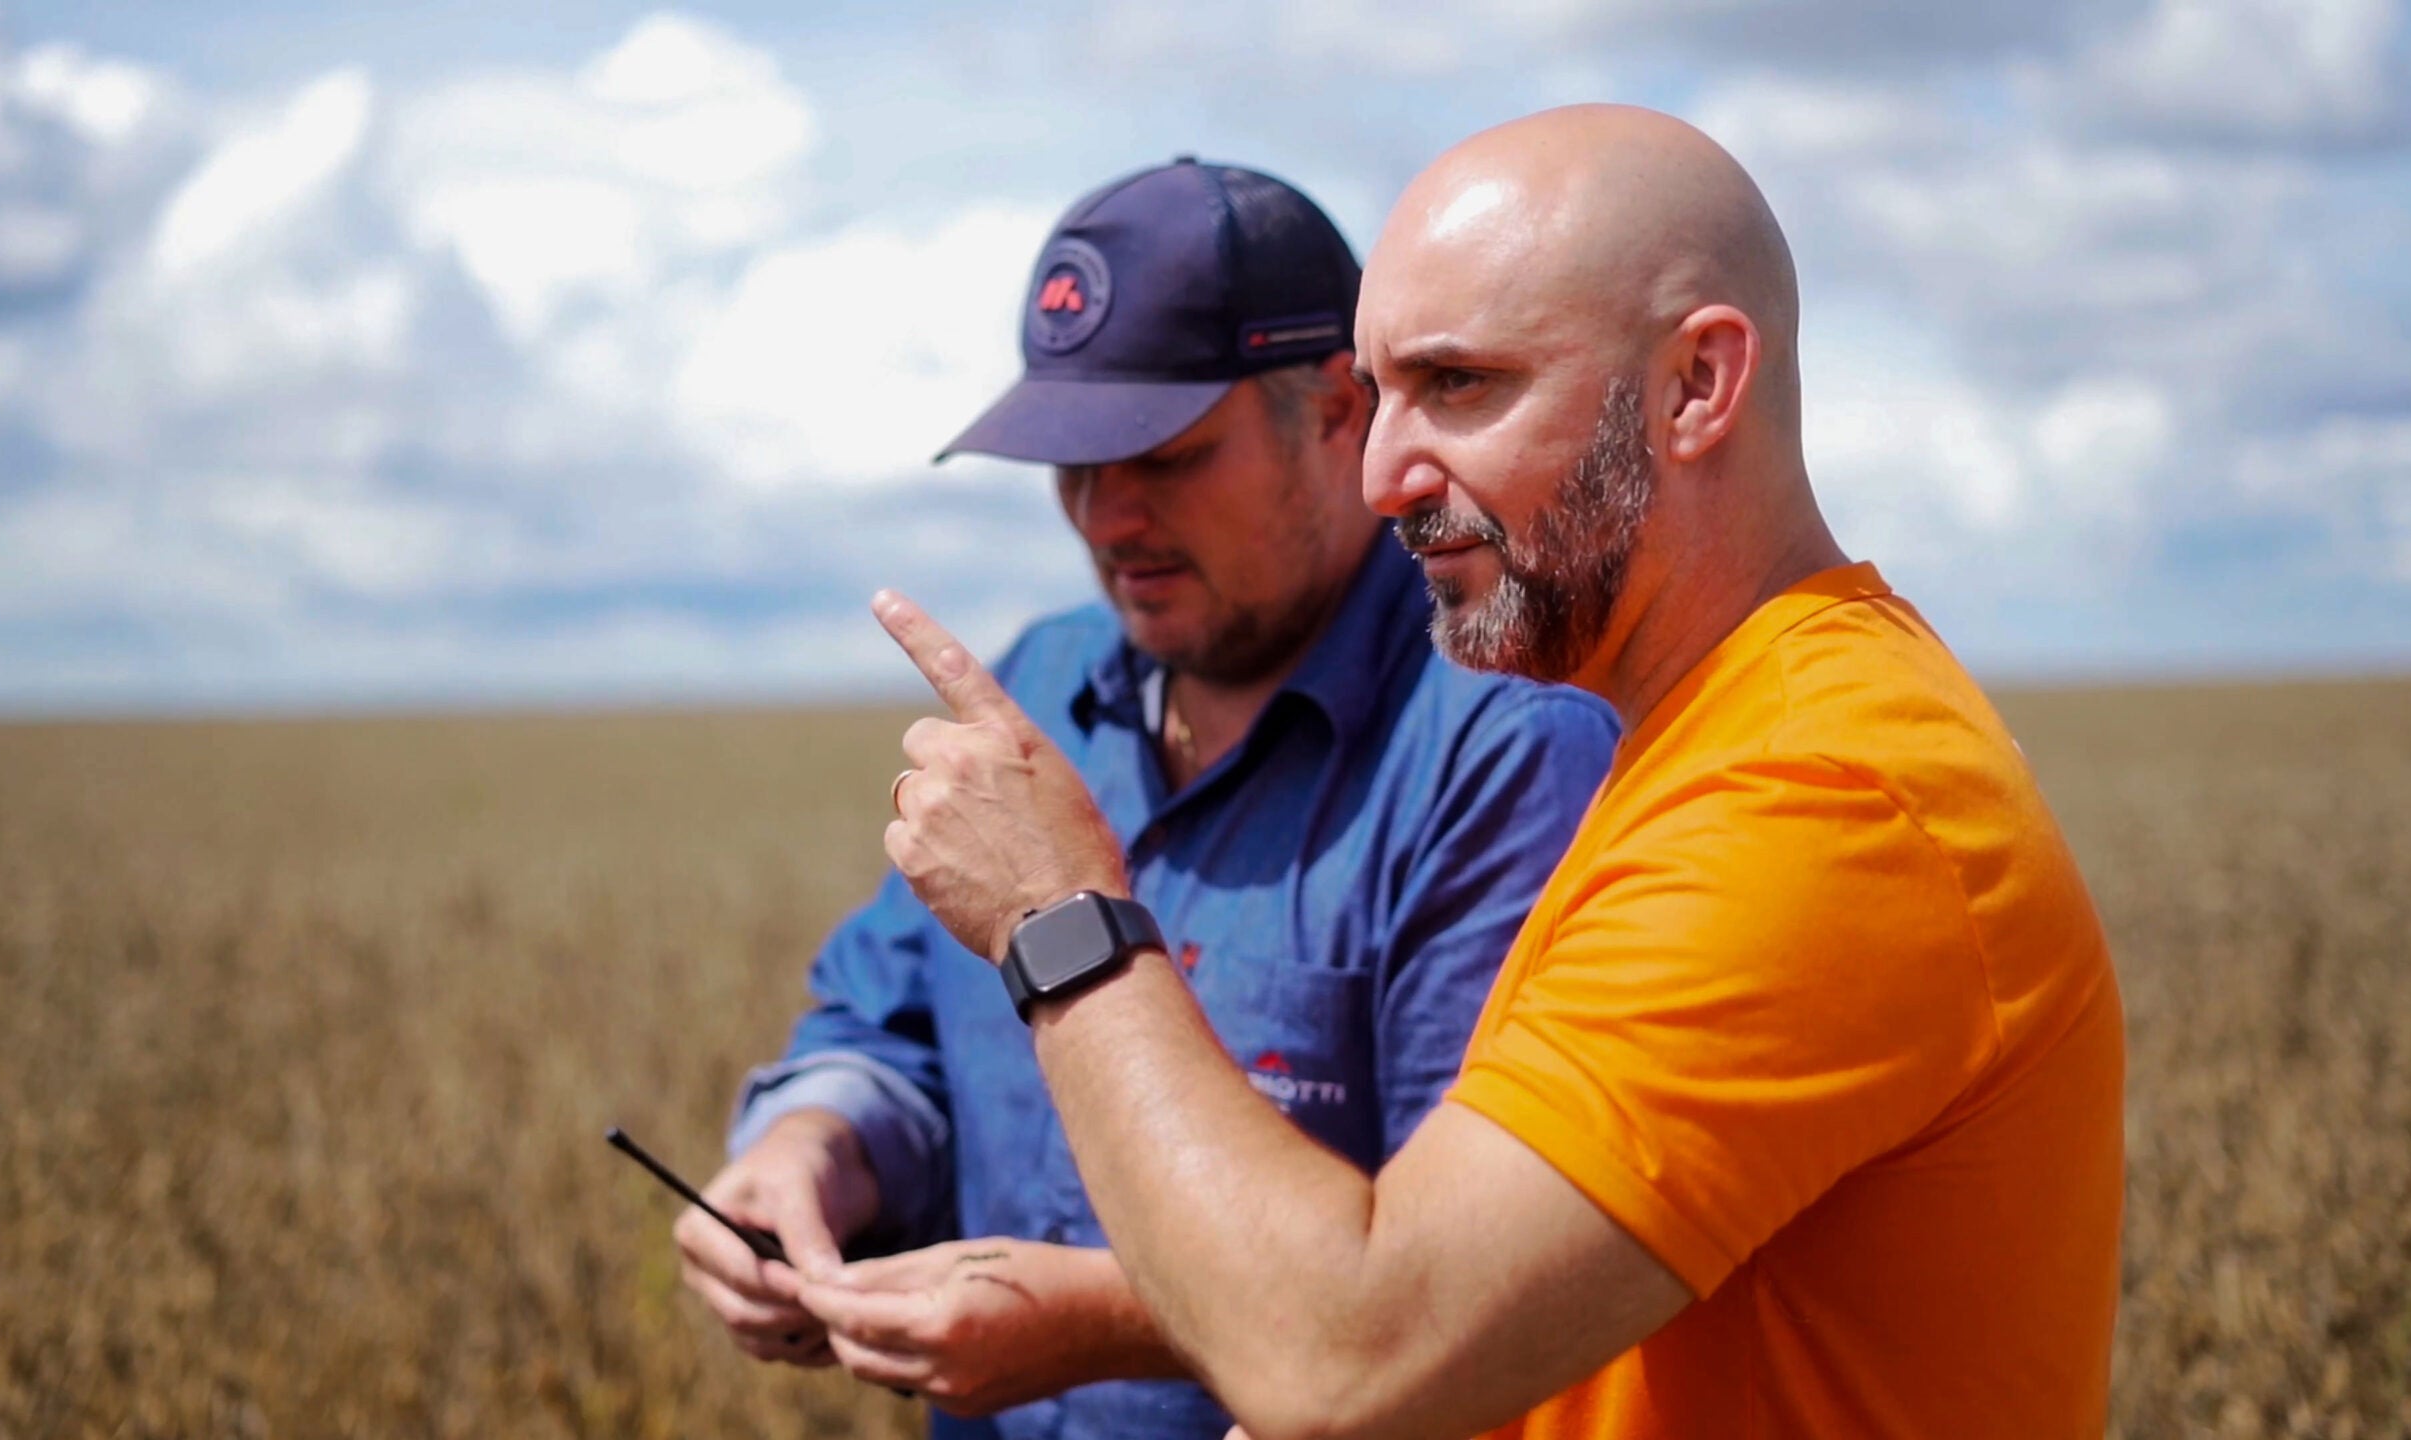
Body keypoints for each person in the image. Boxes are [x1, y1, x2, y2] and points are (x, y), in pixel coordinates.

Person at [852, 106, 2127, 1440]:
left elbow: (1349, 1358)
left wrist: (1060, 921)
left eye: (1457, 387)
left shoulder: (1821, 801)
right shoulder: (1707, 740)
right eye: (1379, 392)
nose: (1389, 472)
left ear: (1696, 385)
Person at [675, 156, 1621, 1439]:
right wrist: (811, 1152)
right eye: (1070, 466)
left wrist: (1101, 1320)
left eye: (1166, 459)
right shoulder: (1039, 686)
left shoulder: (1504, 748)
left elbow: (1458, 1294)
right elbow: (889, 1021)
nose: (1107, 517)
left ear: (1341, 415)